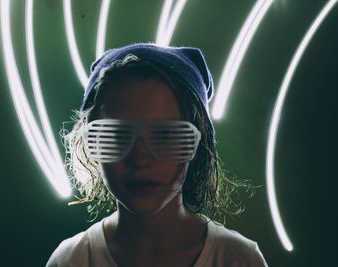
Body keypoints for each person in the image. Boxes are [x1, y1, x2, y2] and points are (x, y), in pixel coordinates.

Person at [46, 43, 268, 267]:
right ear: (90, 143)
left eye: (165, 136)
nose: (140, 159)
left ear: (197, 145)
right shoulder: (71, 260)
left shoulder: (239, 259)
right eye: (116, 136)